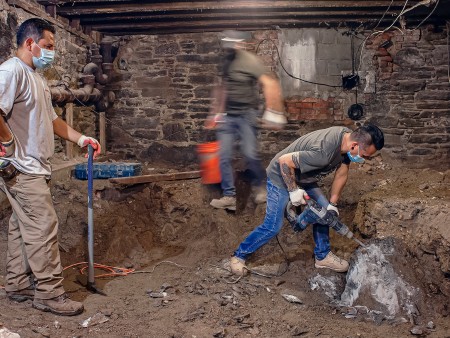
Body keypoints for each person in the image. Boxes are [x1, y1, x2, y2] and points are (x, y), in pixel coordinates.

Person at [0, 18, 101, 316]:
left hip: (35, 165)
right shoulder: (11, 71)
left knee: (21, 226)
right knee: (43, 227)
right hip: (22, 167)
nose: (51, 53)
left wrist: (81, 137)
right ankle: (49, 293)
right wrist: (6, 143)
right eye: (47, 47)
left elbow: (52, 120)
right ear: (30, 43)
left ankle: (17, 284)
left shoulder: (37, 78)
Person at [229, 124, 384, 275]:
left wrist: (332, 204)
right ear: (354, 146)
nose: (363, 159)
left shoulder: (347, 138)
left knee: (325, 214)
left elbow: (342, 173)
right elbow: (284, 161)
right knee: (273, 226)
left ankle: (322, 256)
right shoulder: (324, 151)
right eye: (364, 156)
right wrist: (294, 190)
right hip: (280, 176)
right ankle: (239, 255)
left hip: (304, 177)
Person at [207, 30, 285, 211]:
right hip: (228, 116)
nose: (231, 46)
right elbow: (222, 87)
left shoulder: (250, 61)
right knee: (223, 156)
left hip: (246, 115)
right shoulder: (226, 61)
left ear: (239, 43)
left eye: (233, 43)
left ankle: (261, 187)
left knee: (250, 154)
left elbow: (270, 84)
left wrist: (273, 112)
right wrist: (215, 112)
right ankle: (229, 196)